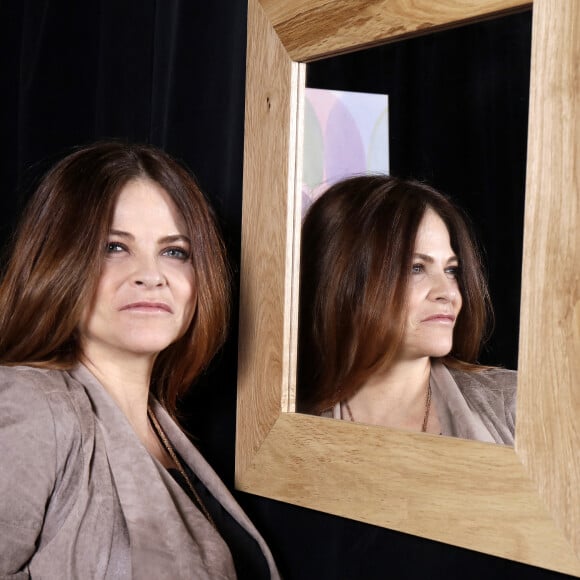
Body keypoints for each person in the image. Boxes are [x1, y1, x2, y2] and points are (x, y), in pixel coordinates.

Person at [0, 141, 280, 579]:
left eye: (175, 251)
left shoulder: (166, 427)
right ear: (57, 263)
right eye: (114, 247)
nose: (151, 275)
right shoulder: (31, 405)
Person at [298, 174, 516, 444]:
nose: (448, 293)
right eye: (417, 268)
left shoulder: (515, 406)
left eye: (450, 270)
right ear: (346, 280)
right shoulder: (287, 426)